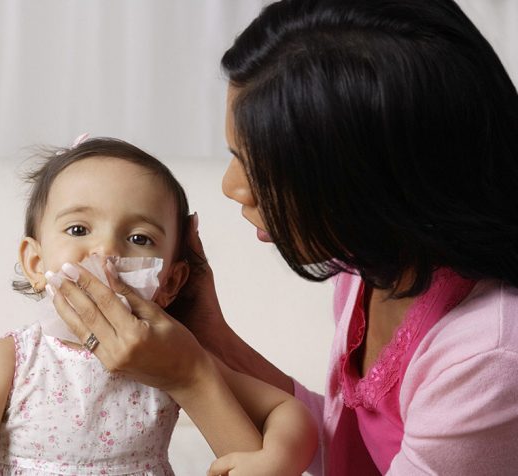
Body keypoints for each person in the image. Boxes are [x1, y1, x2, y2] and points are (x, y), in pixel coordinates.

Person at [47, 1, 518, 475]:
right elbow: (350, 452)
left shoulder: (487, 358)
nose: (231, 186)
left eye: (263, 169)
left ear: (373, 182)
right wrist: (208, 338)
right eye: (235, 155)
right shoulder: (370, 264)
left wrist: (192, 379)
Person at [0, 136, 317, 475]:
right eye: (79, 229)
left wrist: (279, 457)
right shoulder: (8, 363)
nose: (107, 250)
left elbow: (285, 410)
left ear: (171, 282)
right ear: (35, 263)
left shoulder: (171, 359)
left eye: (140, 238)